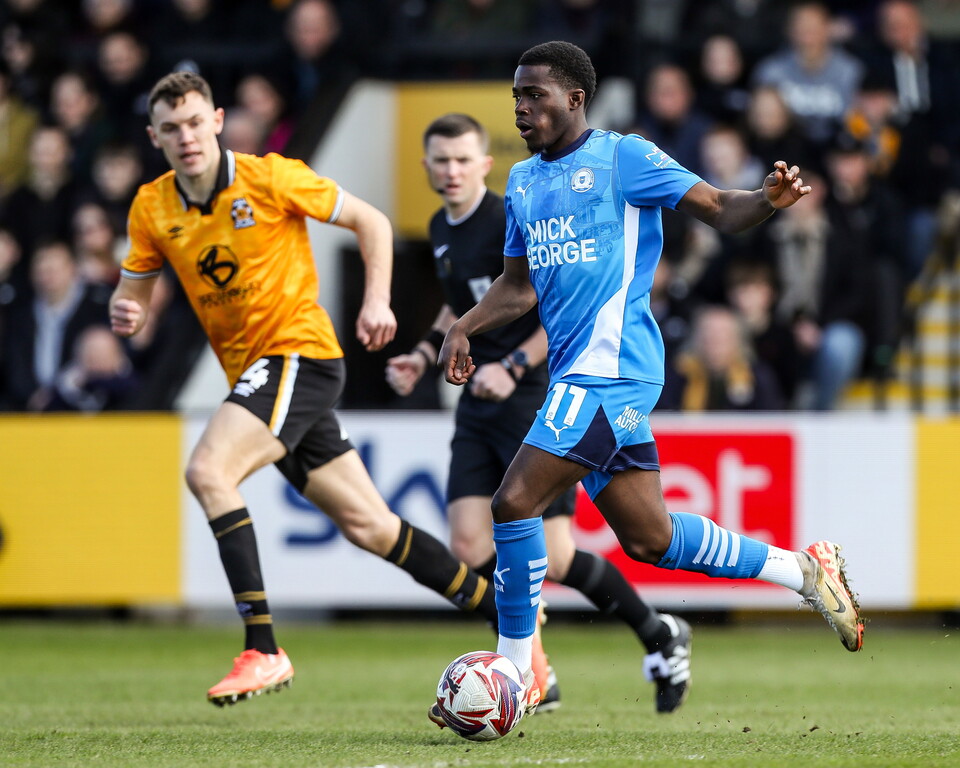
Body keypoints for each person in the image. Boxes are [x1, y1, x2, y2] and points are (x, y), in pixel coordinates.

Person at [438, 40, 865, 718]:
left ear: (575, 98)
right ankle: (804, 570)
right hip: (576, 378)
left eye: (534, 95)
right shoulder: (522, 183)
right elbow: (518, 288)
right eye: (516, 96)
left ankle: (513, 678)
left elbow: (720, 206)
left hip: (614, 373)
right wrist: (465, 325)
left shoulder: (623, 157)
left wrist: (767, 199)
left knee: (513, 502)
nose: (521, 108)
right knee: (651, 540)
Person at [109, 71, 526, 708]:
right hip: (256, 372)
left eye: (195, 123)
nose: (186, 137)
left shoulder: (270, 177)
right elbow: (134, 287)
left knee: (208, 471)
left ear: (217, 120)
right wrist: (128, 308)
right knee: (372, 527)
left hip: (296, 354)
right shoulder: (152, 207)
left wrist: (377, 301)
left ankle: (263, 648)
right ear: (154, 136)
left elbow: (371, 221)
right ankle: (504, 615)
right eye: (171, 128)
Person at [386, 113, 693, 717]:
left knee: (553, 556)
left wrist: (517, 367)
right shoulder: (439, 230)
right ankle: (532, 670)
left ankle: (656, 634)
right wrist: (426, 353)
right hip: (477, 407)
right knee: (470, 543)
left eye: (461, 159)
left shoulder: (516, 206)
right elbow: (460, 308)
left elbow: (557, 304)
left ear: (483, 164)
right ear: (426, 168)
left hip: (533, 396)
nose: (450, 171)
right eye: (440, 161)